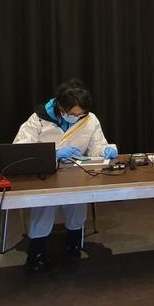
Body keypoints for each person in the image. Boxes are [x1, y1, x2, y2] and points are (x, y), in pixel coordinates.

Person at [13, 79, 118, 272]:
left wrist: (105, 150)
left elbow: (97, 146)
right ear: (61, 108)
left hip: (76, 171)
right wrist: (52, 154)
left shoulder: (89, 119)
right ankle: (36, 253)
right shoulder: (38, 120)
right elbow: (20, 150)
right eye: (73, 114)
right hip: (45, 174)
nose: (77, 118)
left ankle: (73, 246)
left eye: (81, 114)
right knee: (44, 207)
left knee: (77, 203)